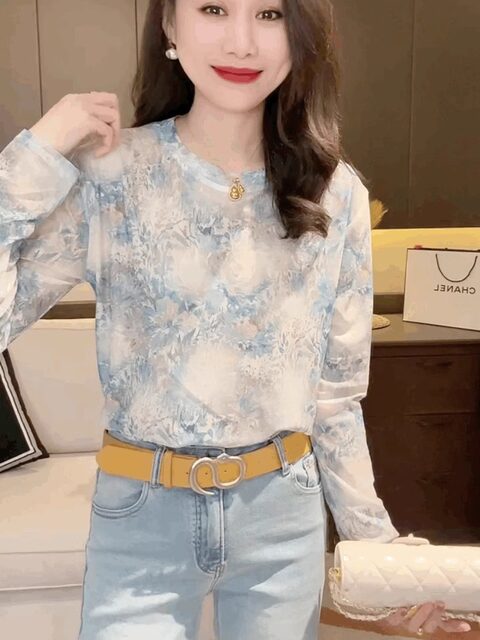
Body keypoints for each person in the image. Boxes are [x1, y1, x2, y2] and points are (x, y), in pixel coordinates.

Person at [0, 0, 472, 638]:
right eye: (214, 8)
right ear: (170, 25)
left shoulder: (336, 194)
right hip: (141, 516)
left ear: (300, 34)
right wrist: (35, 156)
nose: (242, 42)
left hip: (283, 515)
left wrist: (376, 546)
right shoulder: (111, 174)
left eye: (270, 14)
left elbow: (335, 398)